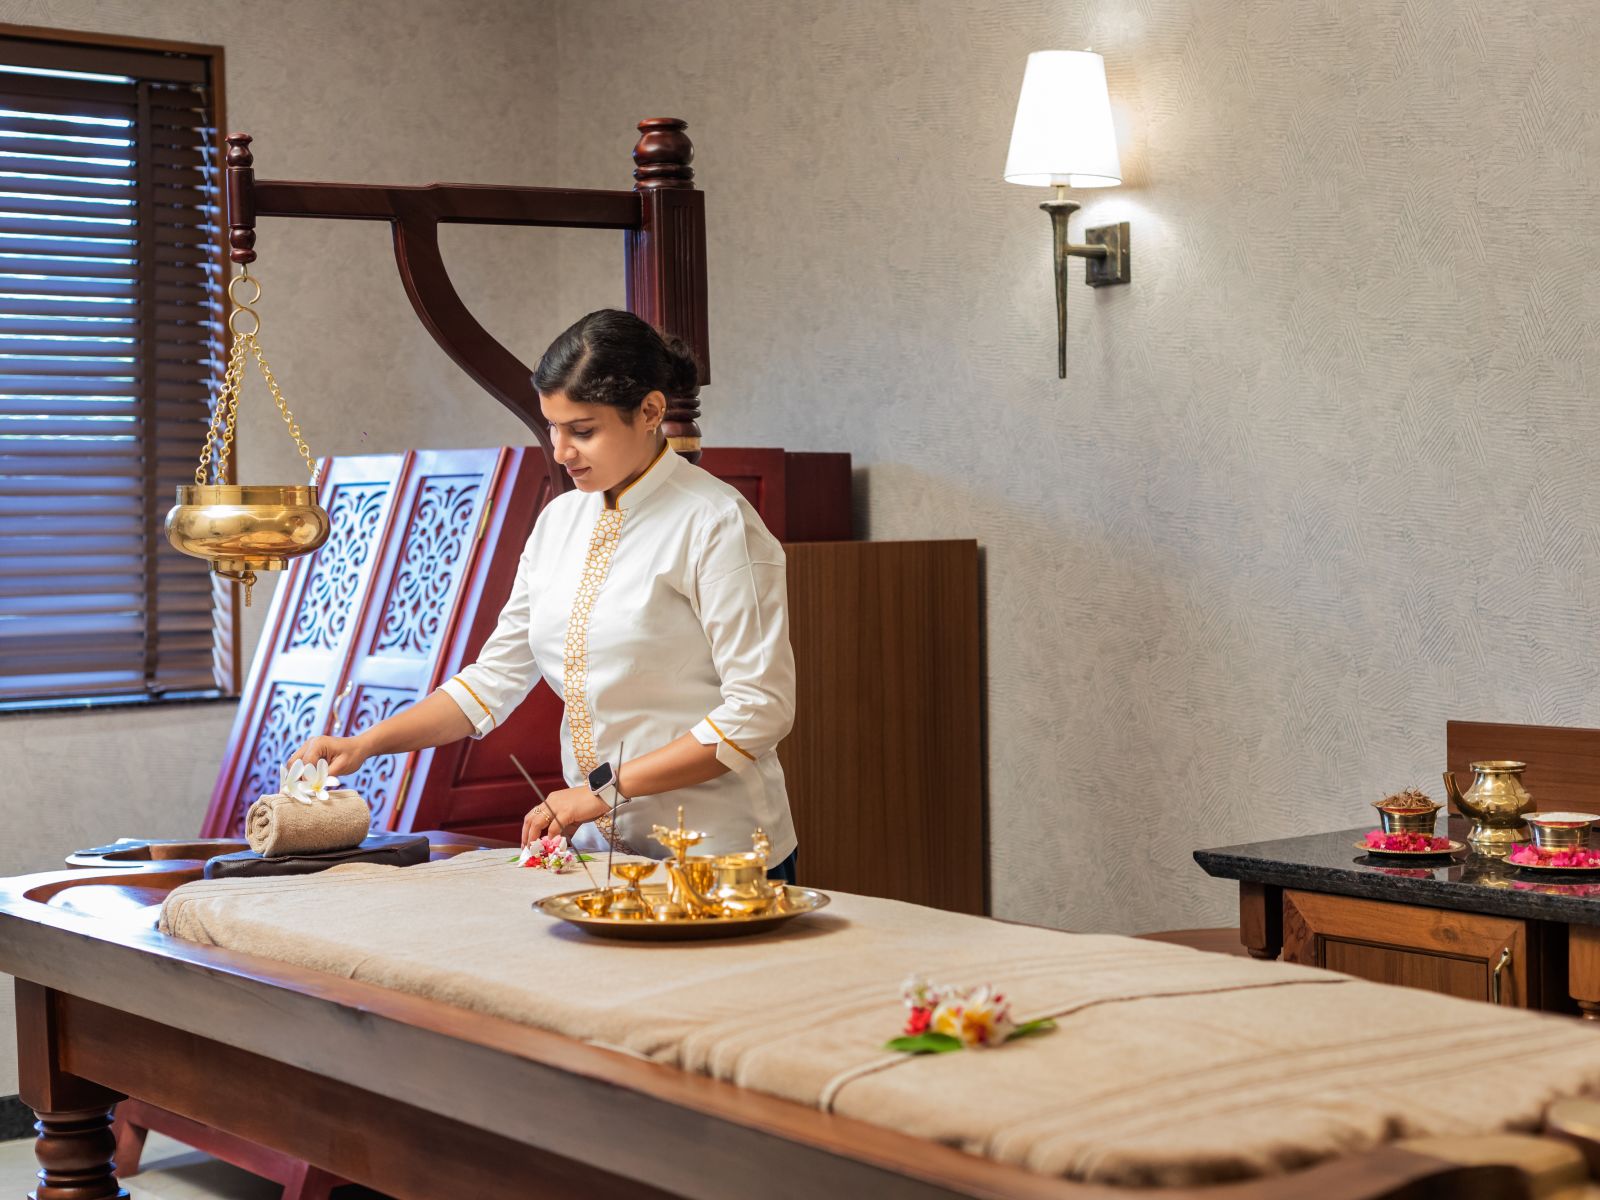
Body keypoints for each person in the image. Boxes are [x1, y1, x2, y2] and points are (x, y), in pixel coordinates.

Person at [287, 309, 799, 881]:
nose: (560, 450)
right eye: (552, 427)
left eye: (583, 430)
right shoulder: (558, 521)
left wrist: (601, 791)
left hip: (717, 852)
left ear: (651, 411)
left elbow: (759, 710)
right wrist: (366, 743)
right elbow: (492, 680)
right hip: (605, 854)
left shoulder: (716, 521)